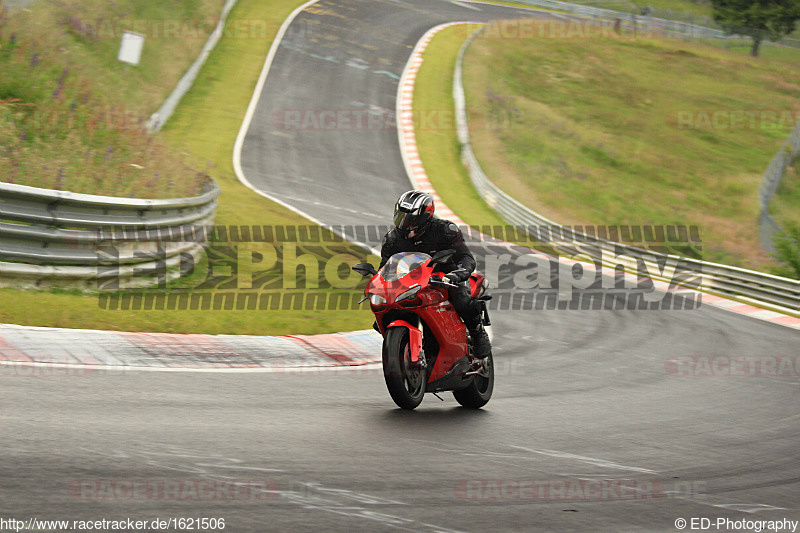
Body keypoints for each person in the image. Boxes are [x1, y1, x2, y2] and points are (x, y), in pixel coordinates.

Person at [379, 190, 491, 358]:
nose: (404, 223)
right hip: (413, 283)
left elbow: (465, 257)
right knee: (383, 310)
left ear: (425, 217)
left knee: (462, 302)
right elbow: (385, 266)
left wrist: (457, 274)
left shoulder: (445, 230)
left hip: (447, 277)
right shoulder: (392, 239)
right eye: (401, 216)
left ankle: (478, 333)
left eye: (410, 219)